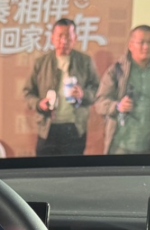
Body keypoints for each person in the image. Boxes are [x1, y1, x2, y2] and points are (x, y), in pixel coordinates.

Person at [23, 18, 100, 156]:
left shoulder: (85, 61)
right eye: (60, 36)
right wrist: (39, 104)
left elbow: (98, 91)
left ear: (75, 38)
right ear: (52, 38)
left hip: (74, 127)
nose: (64, 41)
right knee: (44, 167)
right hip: (47, 128)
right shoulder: (41, 63)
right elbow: (27, 92)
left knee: (71, 168)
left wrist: (83, 94)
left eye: (68, 36)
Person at [95, 26, 150, 155]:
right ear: (130, 45)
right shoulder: (117, 70)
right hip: (121, 143)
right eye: (141, 42)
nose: (146, 47)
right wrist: (117, 106)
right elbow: (99, 103)